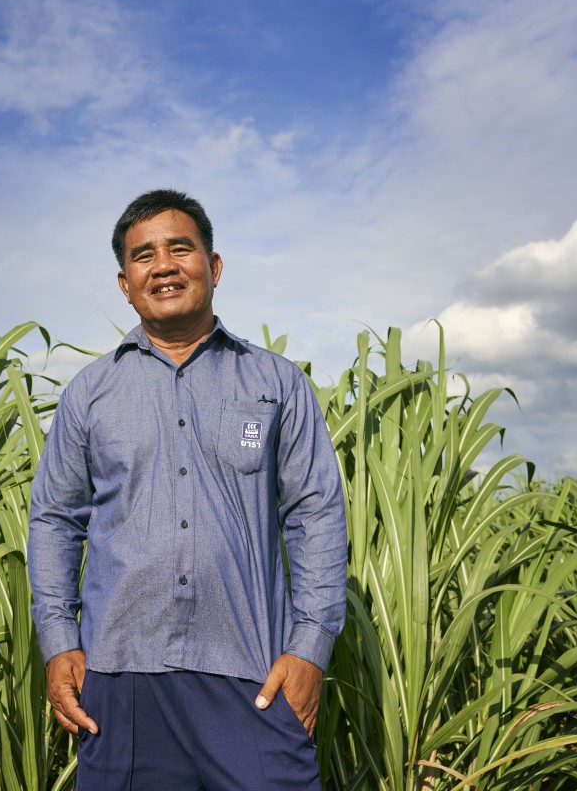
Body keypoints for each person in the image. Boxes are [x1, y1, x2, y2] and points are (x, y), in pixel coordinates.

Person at [27, 189, 347, 790]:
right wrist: (57, 640)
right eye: (144, 256)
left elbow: (316, 513)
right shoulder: (90, 393)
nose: (164, 265)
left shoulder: (276, 382)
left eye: (181, 248)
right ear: (125, 283)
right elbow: (54, 519)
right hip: (119, 682)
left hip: (252, 675)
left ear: (214, 266)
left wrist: (310, 648)